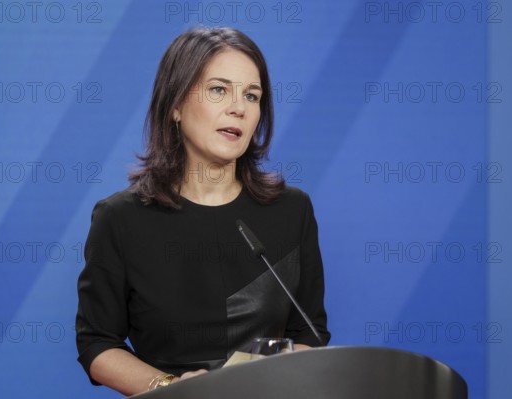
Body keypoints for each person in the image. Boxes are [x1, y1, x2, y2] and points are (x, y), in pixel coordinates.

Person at [75, 26, 330, 396]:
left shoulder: (292, 211)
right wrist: (171, 388)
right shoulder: (120, 219)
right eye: (218, 90)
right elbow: (98, 343)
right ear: (175, 105)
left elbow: (309, 332)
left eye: (252, 96)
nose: (238, 108)